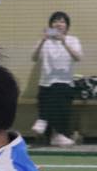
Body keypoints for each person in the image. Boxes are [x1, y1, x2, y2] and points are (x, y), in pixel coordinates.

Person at [30, 11, 82, 148]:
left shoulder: (73, 40)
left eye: (62, 21)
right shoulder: (45, 41)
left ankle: (43, 120)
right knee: (51, 92)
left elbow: (78, 57)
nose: (59, 24)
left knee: (58, 93)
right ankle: (56, 135)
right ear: (51, 25)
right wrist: (42, 40)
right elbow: (34, 58)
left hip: (65, 82)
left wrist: (64, 42)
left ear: (67, 26)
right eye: (55, 21)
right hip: (46, 82)